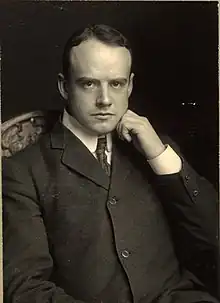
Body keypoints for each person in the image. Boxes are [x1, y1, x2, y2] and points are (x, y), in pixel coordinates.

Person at [3, 24, 219, 303]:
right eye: (89, 84)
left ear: (129, 85)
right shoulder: (23, 171)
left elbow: (213, 235)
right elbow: (26, 287)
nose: (105, 100)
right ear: (64, 86)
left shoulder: (153, 148)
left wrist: (160, 157)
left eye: (116, 84)